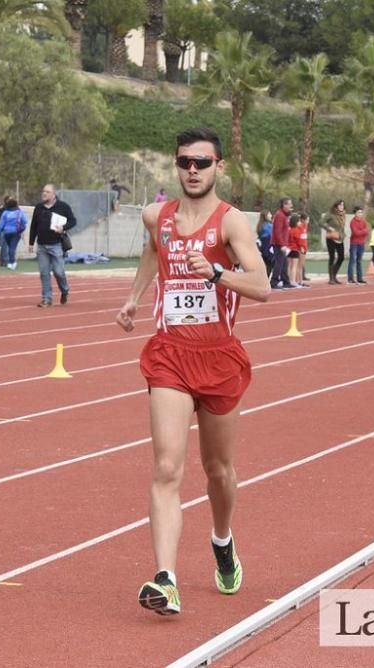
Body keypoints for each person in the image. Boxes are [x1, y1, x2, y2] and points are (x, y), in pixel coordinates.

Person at [115, 127, 270, 616]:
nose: (193, 170)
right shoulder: (155, 216)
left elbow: (263, 287)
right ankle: (166, 579)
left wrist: (218, 273)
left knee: (218, 471)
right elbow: (151, 250)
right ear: (176, 165)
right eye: (185, 162)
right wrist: (134, 298)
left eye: (203, 162)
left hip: (219, 358)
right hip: (170, 356)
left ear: (219, 167)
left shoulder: (232, 224)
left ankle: (222, 539)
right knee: (166, 468)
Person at [28, 184, 76, 307]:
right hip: (42, 245)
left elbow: (73, 221)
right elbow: (34, 226)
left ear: (54, 194)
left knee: (58, 272)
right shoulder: (39, 207)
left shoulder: (63, 206)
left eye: (47, 192)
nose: (44, 193)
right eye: (43, 191)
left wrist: (63, 228)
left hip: (56, 245)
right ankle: (47, 299)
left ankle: (65, 290)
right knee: (44, 273)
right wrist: (31, 243)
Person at [0, 197, 28, 270]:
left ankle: (11, 262)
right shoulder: (19, 212)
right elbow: (25, 221)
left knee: (10, 248)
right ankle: (12, 262)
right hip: (16, 233)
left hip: (7, 233)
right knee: (12, 248)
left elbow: (1, 225)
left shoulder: (5, 213)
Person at [269, 197, 293, 289]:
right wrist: (282, 245)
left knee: (284, 263)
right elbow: (277, 231)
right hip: (278, 244)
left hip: (282, 243)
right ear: (284, 205)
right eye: (289, 204)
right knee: (279, 263)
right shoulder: (280, 215)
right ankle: (274, 282)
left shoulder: (284, 215)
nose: (291, 206)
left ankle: (285, 281)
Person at [320, 200, 346, 285]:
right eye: (340, 205)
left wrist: (343, 235)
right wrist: (328, 228)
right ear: (336, 206)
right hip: (331, 237)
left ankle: (334, 275)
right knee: (332, 257)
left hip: (339, 238)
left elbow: (342, 227)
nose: (342, 206)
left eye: (343, 205)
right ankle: (331, 278)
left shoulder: (342, 215)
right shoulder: (330, 214)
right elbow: (321, 222)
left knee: (341, 257)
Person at [347, 206, 368, 284]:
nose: (360, 214)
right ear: (355, 213)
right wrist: (363, 231)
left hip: (361, 244)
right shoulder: (352, 222)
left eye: (361, 212)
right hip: (354, 244)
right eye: (358, 212)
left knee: (359, 261)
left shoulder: (363, 221)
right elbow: (356, 233)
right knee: (352, 260)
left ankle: (360, 278)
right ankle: (350, 278)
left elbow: (367, 230)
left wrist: (362, 232)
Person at [256, 211, 273, 276]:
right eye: (269, 214)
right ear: (266, 216)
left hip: (262, 247)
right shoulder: (269, 226)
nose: (271, 215)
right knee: (269, 264)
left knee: (264, 264)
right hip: (268, 247)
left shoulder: (260, 225)